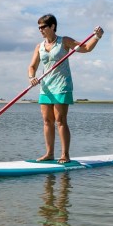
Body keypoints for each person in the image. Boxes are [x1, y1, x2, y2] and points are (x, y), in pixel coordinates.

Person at [27, 14, 103, 163]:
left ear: (52, 26)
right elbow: (32, 66)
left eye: (43, 27)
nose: (40, 30)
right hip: (46, 87)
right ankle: (49, 153)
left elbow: (86, 48)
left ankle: (65, 155)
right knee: (47, 121)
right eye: (39, 28)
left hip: (62, 86)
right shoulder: (39, 46)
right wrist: (31, 77)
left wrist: (97, 37)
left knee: (60, 120)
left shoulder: (65, 41)